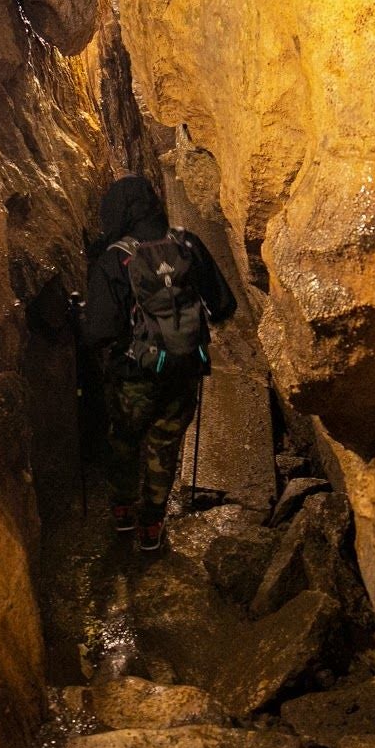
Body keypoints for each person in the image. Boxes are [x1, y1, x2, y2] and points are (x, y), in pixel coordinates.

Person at [82, 175, 237, 550]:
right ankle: (152, 526)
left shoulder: (114, 258)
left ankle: (123, 511)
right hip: (185, 368)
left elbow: (99, 332)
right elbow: (224, 306)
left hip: (135, 375)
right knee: (163, 444)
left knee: (124, 439)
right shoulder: (187, 243)